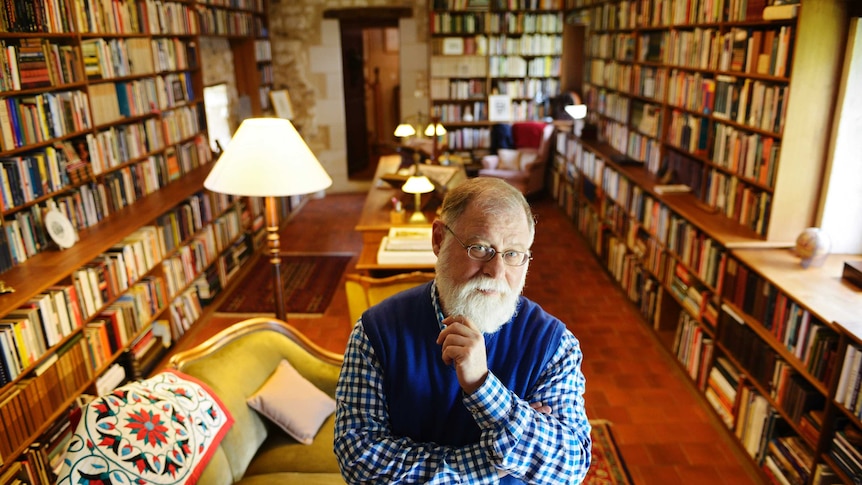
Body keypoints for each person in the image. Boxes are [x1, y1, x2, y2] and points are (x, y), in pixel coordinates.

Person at [334, 177, 591, 484]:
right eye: (480, 248)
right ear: (439, 239)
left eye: (513, 254)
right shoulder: (375, 332)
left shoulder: (553, 343)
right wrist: (487, 466)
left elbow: (571, 466)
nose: (496, 271)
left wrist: (483, 388)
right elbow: (358, 460)